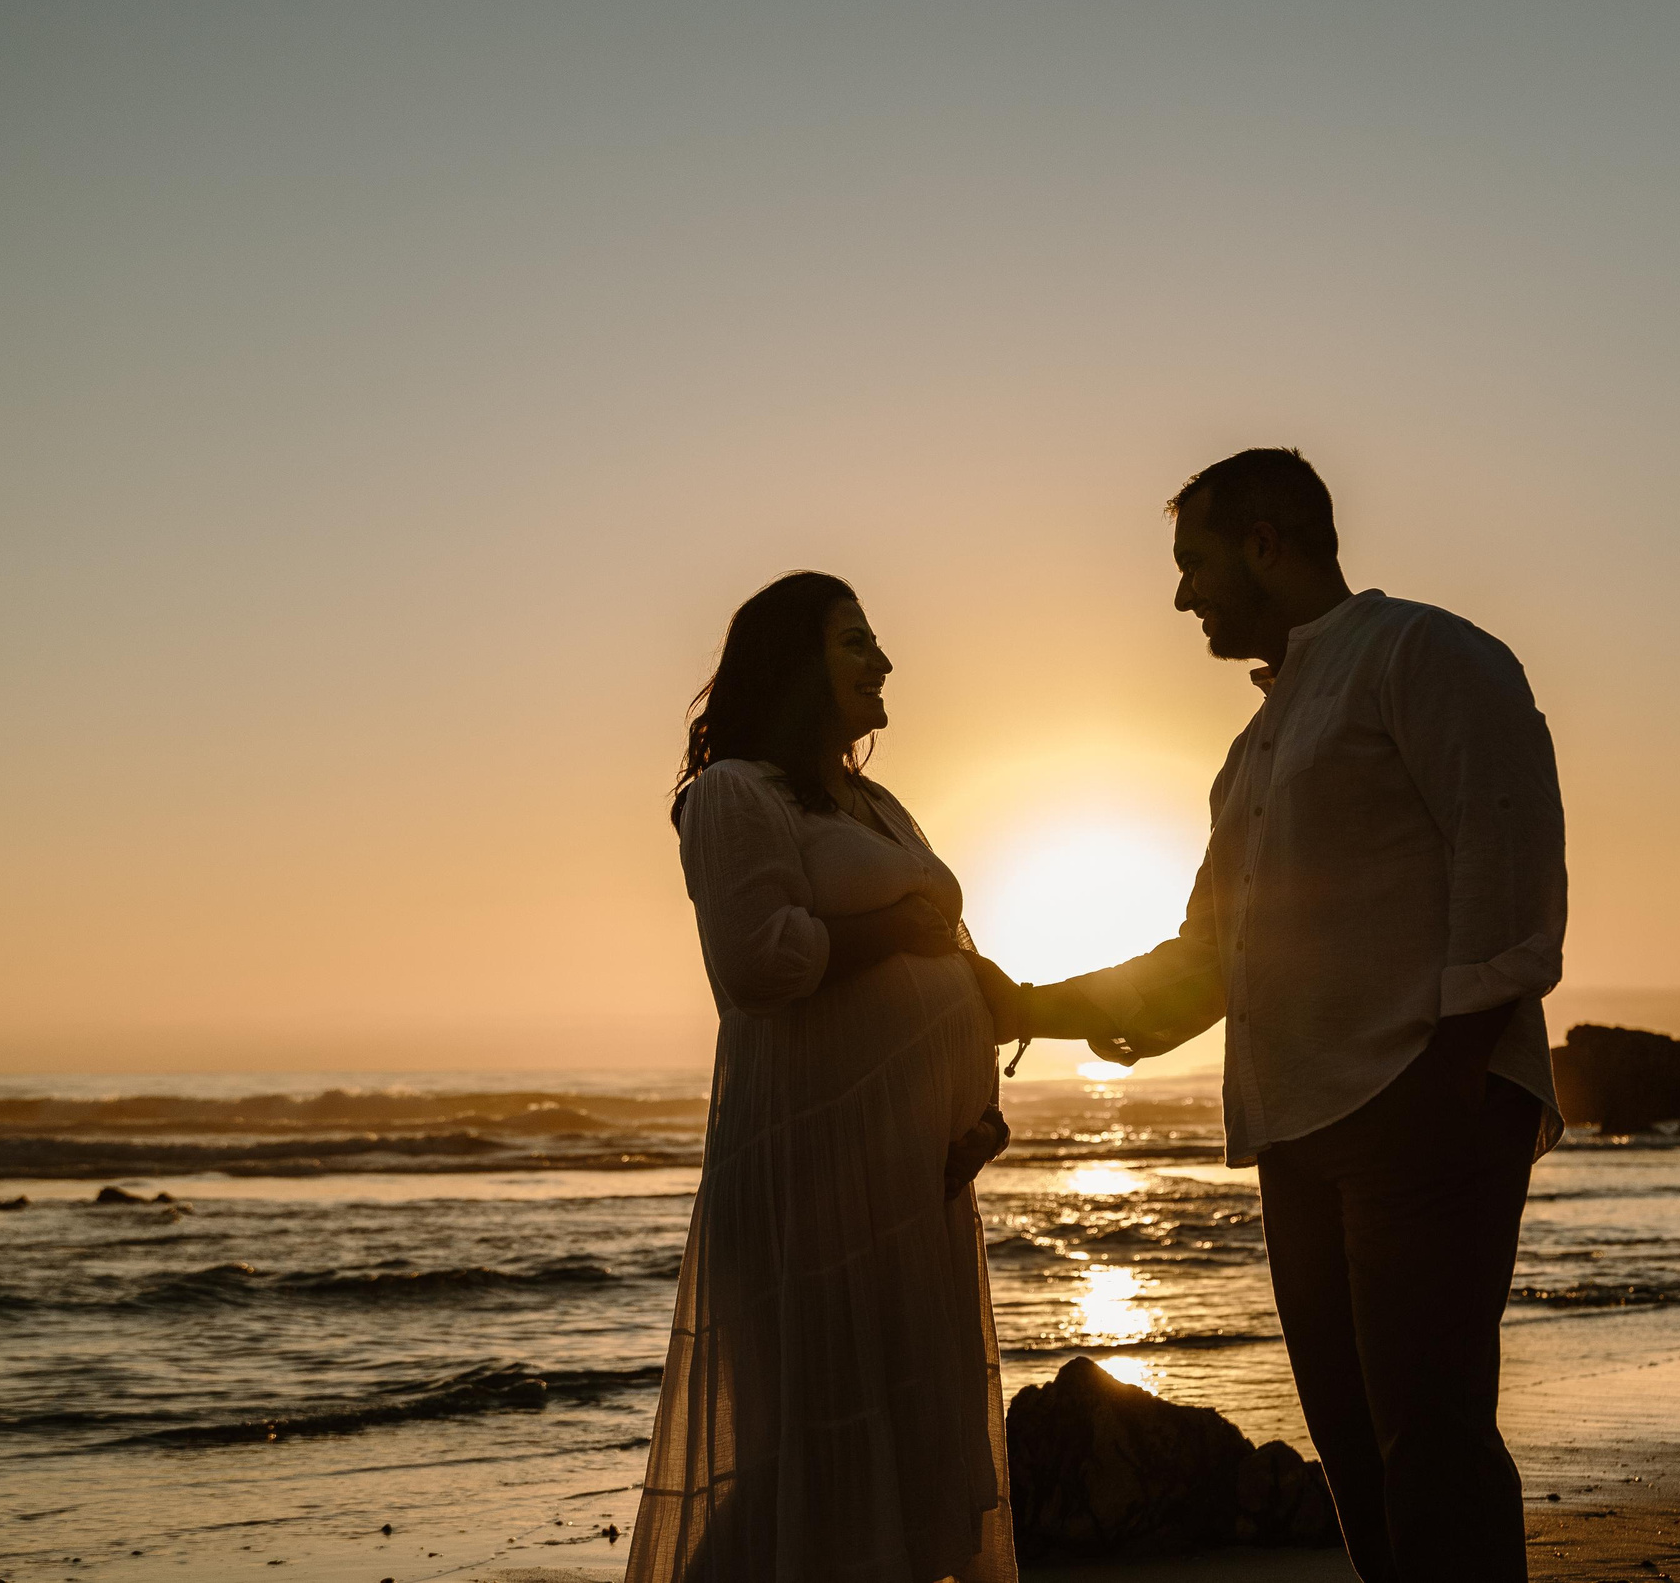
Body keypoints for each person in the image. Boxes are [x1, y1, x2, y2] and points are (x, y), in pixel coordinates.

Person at [978, 449, 1568, 1582]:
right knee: (1353, 1454)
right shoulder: (1255, 746)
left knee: (1431, 1436)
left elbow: (1508, 845)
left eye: (1193, 562)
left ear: (1265, 542)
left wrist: (1451, 1065)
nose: (1182, 595)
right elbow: (1210, 959)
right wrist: (1028, 1006)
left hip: (1417, 1099)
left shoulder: (1421, 651)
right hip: (1294, 1129)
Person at [627, 570, 1019, 1583]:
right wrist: (890, 930)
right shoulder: (731, 797)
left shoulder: (873, 802)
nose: (883, 660)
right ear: (797, 665)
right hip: (812, 1174)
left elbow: (947, 955)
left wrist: (981, 1107)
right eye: (856, 643)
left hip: (912, 1181)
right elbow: (756, 963)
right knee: (807, 1451)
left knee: (907, 1452)